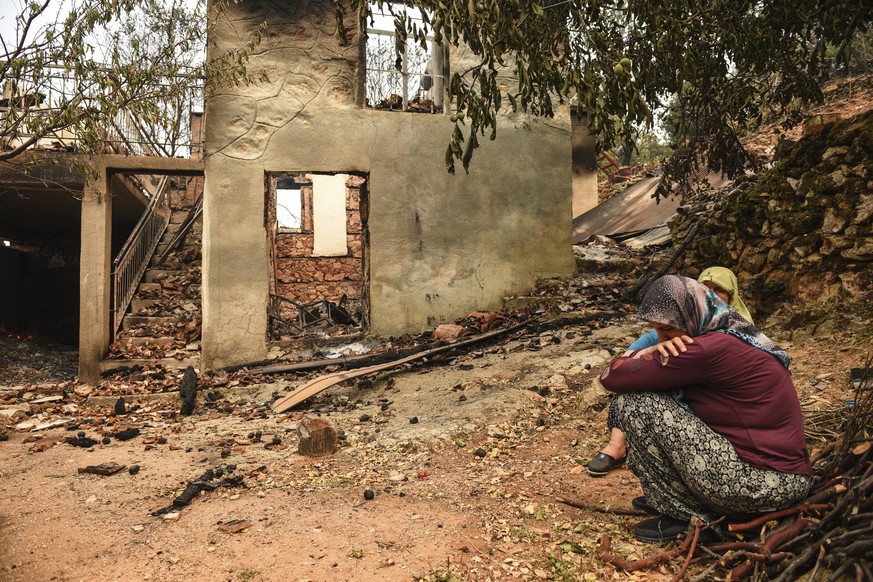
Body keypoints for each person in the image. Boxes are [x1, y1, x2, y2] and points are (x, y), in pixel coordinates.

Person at [598, 275, 812, 542]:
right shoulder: (728, 335)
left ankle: (688, 515)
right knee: (647, 397)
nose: (663, 338)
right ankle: (680, 498)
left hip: (764, 484)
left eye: (668, 331)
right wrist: (657, 345)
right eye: (657, 331)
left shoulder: (707, 349)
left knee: (633, 402)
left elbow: (611, 377)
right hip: (779, 479)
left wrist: (645, 351)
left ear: (692, 313)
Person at [588, 266, 753, 476]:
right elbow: (622, 364)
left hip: (717, 419)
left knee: (640, 384)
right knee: (634, 379)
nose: (712, 295)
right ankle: (617, 445)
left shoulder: (735, 334)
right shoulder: (675, 327)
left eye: (719, 290)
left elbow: (616, 375)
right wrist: (649, 351)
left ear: (732, 295)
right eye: (705, 288)